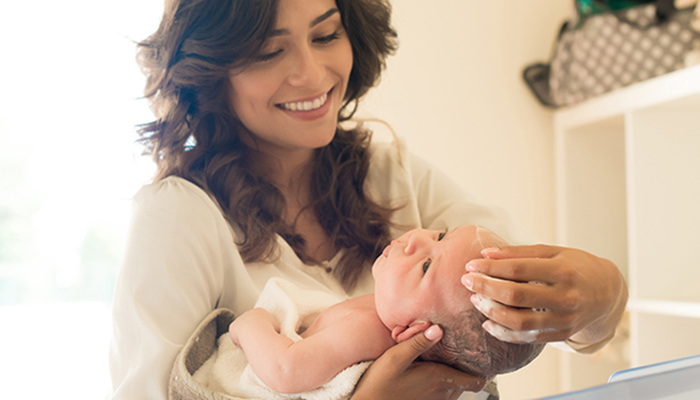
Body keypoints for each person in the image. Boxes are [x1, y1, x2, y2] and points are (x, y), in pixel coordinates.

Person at [108, 0, 629, 399]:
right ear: (211, 70)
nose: (311, 75)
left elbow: (521, 318)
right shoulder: (178, 218)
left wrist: (603, 297)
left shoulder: (393, 176)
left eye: (326, 34)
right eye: (269, 50)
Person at [227, 225, 544, 396]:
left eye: (426, 265)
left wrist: (252, 323)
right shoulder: (385, 314)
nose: (414, 239)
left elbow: (286, 370)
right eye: (441, 235)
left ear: (414, 332)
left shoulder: (366, 330)